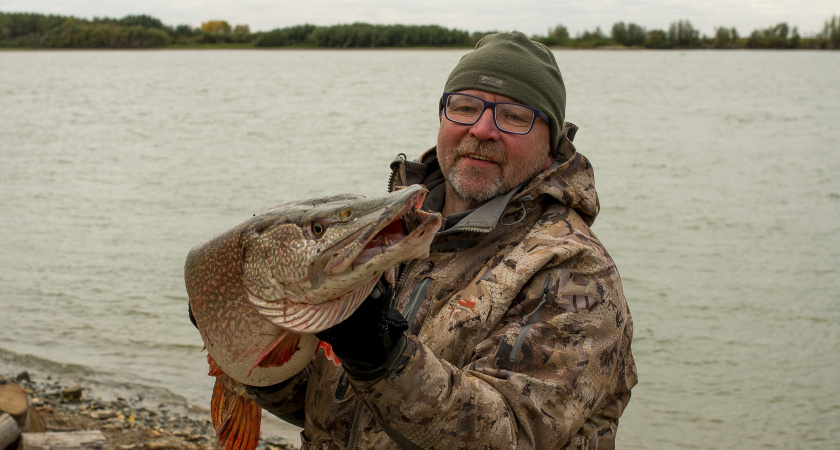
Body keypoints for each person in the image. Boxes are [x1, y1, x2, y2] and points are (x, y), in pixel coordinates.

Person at [246, 31, 637, 449]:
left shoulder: (575, 272)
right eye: (465, 107)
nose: (482, 129)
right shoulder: (386, 237)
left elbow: (510, 435)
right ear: (442, 119)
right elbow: (331, 410)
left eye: (513, 116)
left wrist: (381, 355)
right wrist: (256, 355)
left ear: (550, 146)